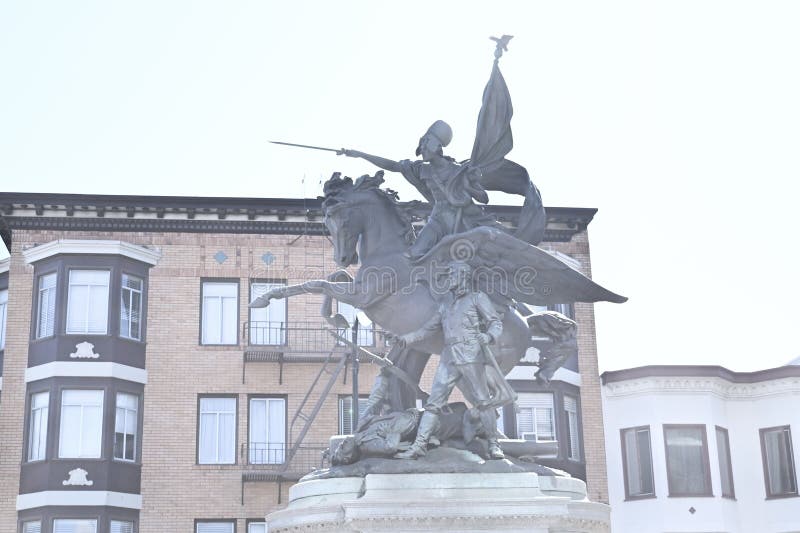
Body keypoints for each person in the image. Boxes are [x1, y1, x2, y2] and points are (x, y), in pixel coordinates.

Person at [394, 261, 506, 459]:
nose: (449, 278)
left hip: (471, 354)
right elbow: (428, 328)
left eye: (452, 274)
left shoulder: (477, 298)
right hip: (449, 356)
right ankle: (419, 446)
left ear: (463, 275)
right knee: (433, 403)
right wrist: (406, 338)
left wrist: (488, 337)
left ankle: (494, 445)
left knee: (483, 402)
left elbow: (495, 322)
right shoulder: (446, 304)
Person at [339, 120, 498, 259]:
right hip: (437, 219)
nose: (422, 150)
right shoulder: (423, 169)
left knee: (462, 257)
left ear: (435, 147)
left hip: (459, 221)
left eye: (424, 146)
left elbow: (483, 198)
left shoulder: (458, 170)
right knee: (413, 254)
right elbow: (393, 166)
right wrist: (360, 154)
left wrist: (469, 186)